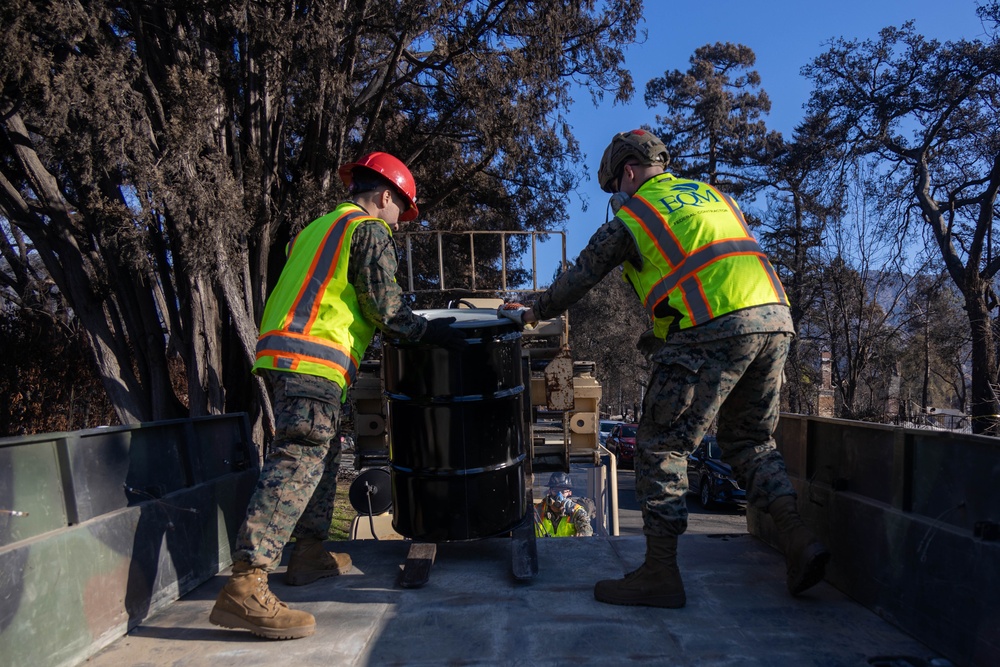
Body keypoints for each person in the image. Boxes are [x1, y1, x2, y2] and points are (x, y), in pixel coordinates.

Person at [499, 129, 830, 608]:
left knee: (661, 446)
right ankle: (799, 541)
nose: (618, 195)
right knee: (751, 442)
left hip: (713, 324)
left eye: (616, 185)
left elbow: (581, 277)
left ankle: (660, 573)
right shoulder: (713, 197)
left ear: (628, 172)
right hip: (776, 319)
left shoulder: (635, 214)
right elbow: (708, 264)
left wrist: (533, 309)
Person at [210, 151, 465, 639]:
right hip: (313, 359)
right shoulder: (367, 229)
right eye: (401, 212)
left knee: (322, 454)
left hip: (290, 357)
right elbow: (383, 305)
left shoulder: (318, 228)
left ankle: (307, 553)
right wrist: (430, 334)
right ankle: (246, 582)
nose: (400, 223)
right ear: (385, 196)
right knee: (299, 459)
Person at [534, 472, 594, 538]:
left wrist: (581, 536)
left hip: (568, 548)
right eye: (556, 491)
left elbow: (587, 531)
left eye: (563, 491)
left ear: (569, 493)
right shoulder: (536, 511)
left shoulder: (577, 512)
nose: (559, 495)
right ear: (549, 491)